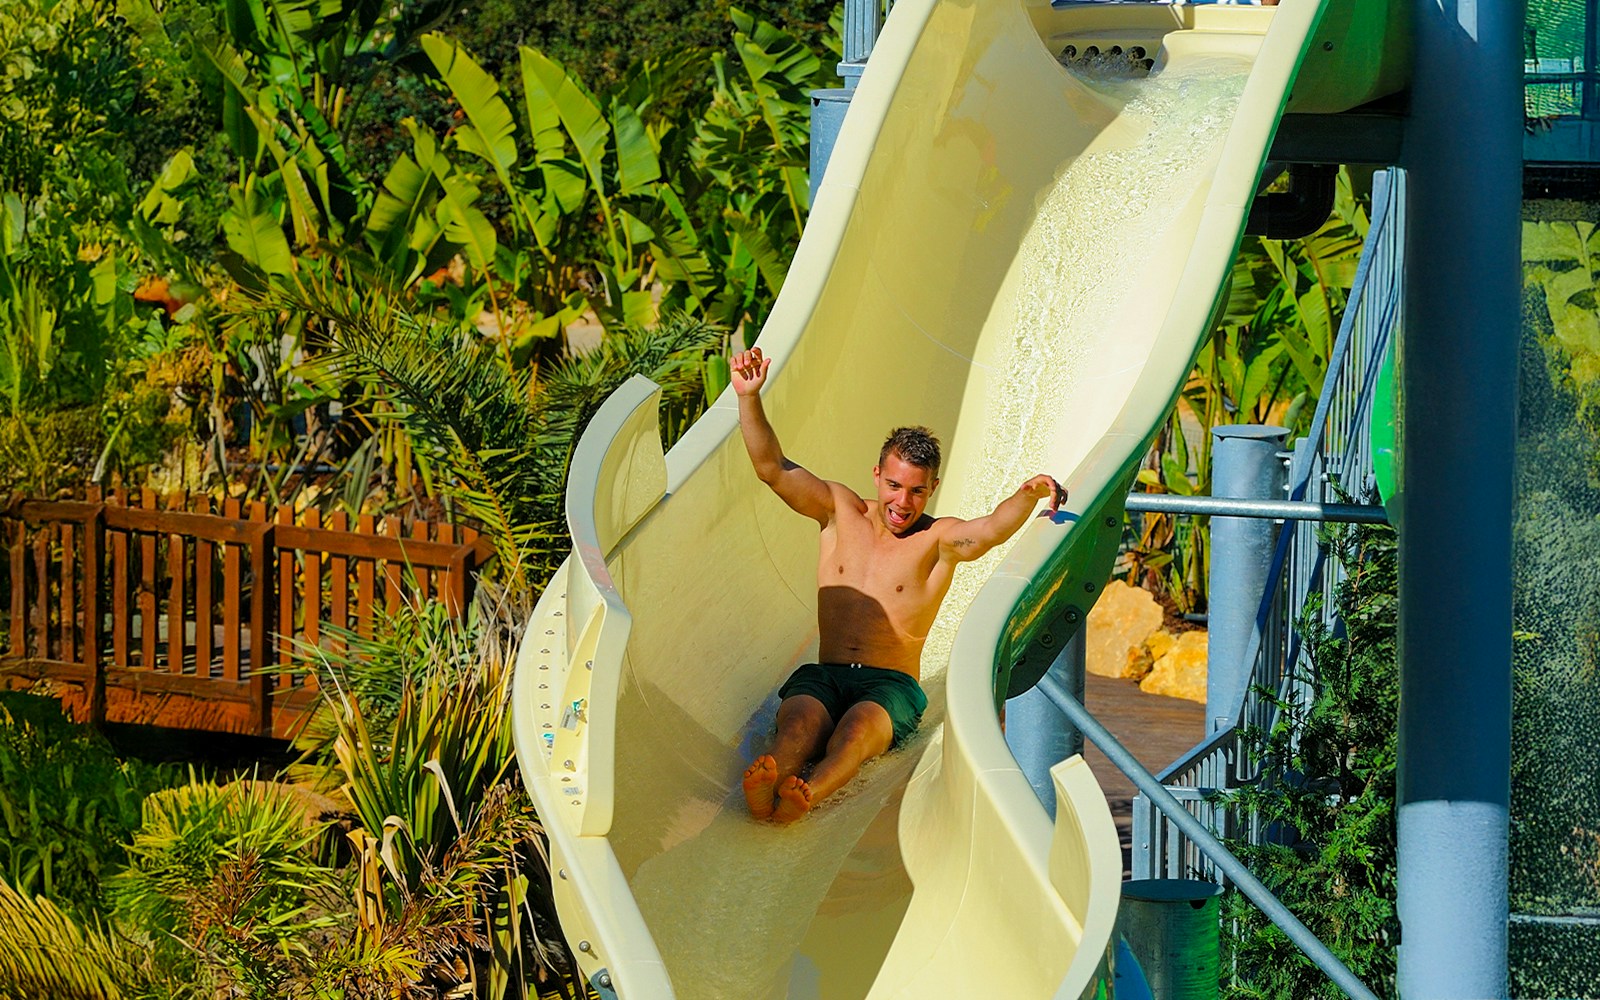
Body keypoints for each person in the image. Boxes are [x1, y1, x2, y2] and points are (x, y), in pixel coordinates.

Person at [731, 346, 1066, 824]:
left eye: (916, 490)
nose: (902, 501)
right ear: (877, 476)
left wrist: (1028, 494)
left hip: (890, 686)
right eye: (894, 485)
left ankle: (807, 791)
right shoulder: (838, 511)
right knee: (800, 721)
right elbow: (772, 469)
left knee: (856, 731)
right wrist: (748, 398)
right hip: (828, 673)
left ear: (931, 489)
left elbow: (990, 530)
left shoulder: (939, 539)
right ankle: (771, 781)